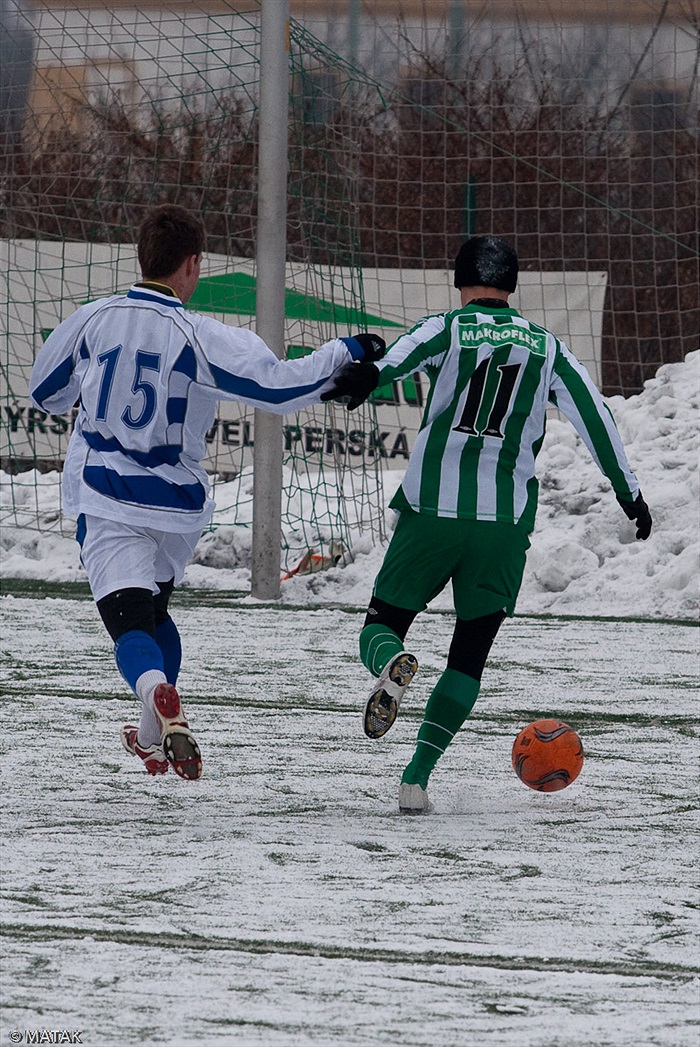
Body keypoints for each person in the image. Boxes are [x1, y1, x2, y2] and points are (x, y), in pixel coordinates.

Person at [29, 203, 385, 781]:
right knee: (157, 611)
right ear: (193, 264)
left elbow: (46, 392)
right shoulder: (200, 334)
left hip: (107, 494)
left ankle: (153, 694)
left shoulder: (92, 319)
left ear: (143, 256)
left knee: (128, 621)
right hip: (177, 505)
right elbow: (273, 389)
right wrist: (344, 354)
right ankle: (152, 736)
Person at [322, 235, 651, 814]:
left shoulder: (448, 327)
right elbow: (594, 415)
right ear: (512, 287)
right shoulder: (547, 346)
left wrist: (364, 379)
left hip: (433, 512)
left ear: (459, 281)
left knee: (381, 623)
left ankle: (388, 664)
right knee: (469, 655)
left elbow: (394, 361)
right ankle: (416, 779)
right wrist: (629, 492)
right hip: (502, 524)